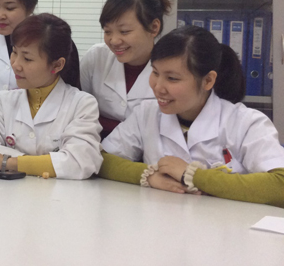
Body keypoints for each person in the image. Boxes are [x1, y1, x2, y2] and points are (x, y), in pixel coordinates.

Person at [99, 26, 284, 208]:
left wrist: (192, 175)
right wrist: (148, 175)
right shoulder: (147, 114)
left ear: (208, 80)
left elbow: (280, 185)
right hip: (162, 221)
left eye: (172, 78)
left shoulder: (246, 122)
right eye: (155, 73)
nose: (158, 87)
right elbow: (100, 159)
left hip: (226, 224)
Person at [0, 14, 102, 180]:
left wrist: (8, 162)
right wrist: (46, 162)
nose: (15, 64)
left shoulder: (82, 104)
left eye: (27, 59)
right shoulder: (5, 101)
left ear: (57, 65)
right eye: (14, 52)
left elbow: (81, 162)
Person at [80, 0, 172, 138]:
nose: (114, 41)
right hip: (94, 144)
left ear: (154, 28)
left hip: (149, 148)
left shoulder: (173, 68)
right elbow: (77, 109)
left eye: (124, 31)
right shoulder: (96, 57)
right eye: (107, 31)